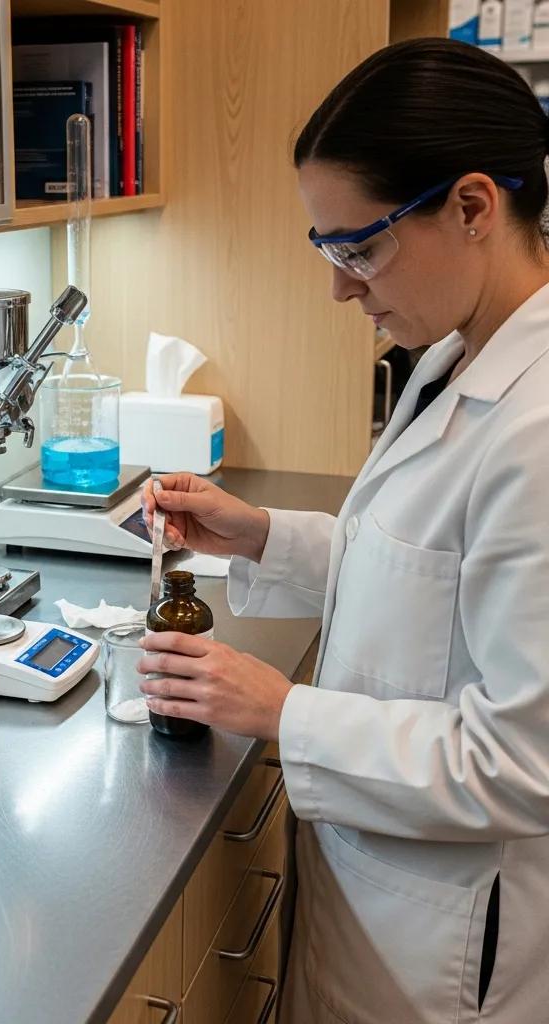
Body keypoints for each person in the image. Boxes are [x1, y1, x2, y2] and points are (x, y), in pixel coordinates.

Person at [140, 38, 549, 1024]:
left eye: (358, 246)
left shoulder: (538, 430)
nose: (340, 287)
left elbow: (523, 764)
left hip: (450, 947)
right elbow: (435, 580)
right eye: (326, 248)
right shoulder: (457, 354)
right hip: (380, 889)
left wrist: (284, 711)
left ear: (471, 207)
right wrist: (265, 537)